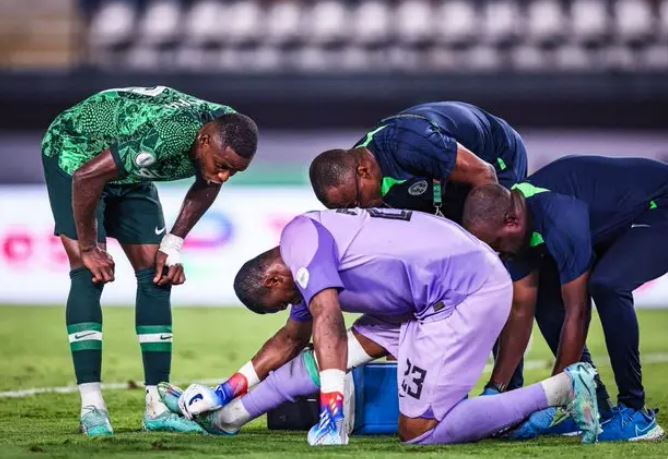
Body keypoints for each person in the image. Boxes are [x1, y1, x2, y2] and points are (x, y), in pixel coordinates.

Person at [162, 208, 599, 445]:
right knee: (320, 357)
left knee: (419, 433)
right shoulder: (302, 254)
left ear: (275, 280)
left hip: (465, 292)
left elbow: (328, 322)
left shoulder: (304, 250)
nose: (293, 306)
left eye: (286, 301)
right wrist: (225, 393)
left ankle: (563, 387)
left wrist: (332, 413)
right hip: (419, 298)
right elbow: (293, 339)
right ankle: (229, 420)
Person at [41, 85, 258, 437]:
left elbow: (208, 183)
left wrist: (173, 244)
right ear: (204, 141)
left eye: (233, 172)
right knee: (88, 272)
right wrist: (89, 247)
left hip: (126, 165)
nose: (223, 176)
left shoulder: (225, 131)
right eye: (221, 167)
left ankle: (156, 405)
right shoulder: (171, 135)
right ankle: (92, 406)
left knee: (158, 275)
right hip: (76, 155)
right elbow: (86, 176)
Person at [461, 155, 668, 442]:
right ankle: (593, 404)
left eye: (496, 243)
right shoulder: (517, 222)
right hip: (620, 220)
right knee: (545, 296)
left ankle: (635, 413)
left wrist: (550, 401)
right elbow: (520, 311)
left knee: (608, 284)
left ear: (512, 221)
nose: (497, 253)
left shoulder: (558, 216)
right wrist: (495, 390)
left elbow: (578, 312)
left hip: (659, 206)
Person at [308, 101, 527, 222]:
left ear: (363, 171)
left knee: (495, 236)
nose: (357, 211)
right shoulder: (359, 166)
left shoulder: (408, 144)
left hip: (496, 158)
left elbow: (484, 174)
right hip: (441, 176)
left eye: (354, 202)